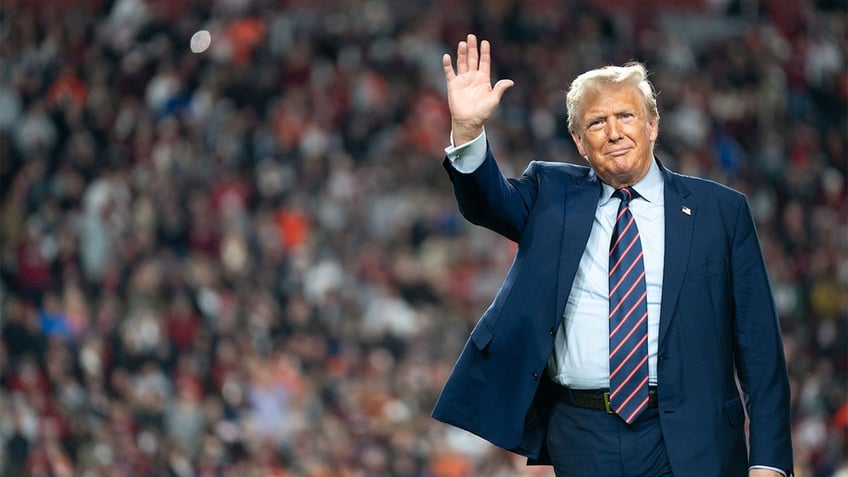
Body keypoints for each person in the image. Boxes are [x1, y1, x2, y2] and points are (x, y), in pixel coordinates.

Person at [431, 34, 794, 477]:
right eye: (597, 122)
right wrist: (468, 131)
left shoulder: (721, 211)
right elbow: (486, 201)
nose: (615, 131)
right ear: (579, 141)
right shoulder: (551, 194)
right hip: (581, 433)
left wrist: (770, 463)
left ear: (652, 125)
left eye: (626, 115)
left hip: (693, 435)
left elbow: (760, 350)